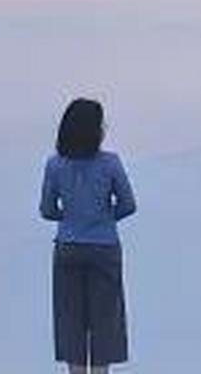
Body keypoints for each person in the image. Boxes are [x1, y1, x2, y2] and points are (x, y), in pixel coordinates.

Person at [41, 97, 136, 371]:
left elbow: (47, 209)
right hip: (104, 248)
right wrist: (103, 217)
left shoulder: (55, 164)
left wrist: (70, 216)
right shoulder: (110, 163)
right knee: (106, 320)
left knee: (71, 320)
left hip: (68, 247)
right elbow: (128, 204)